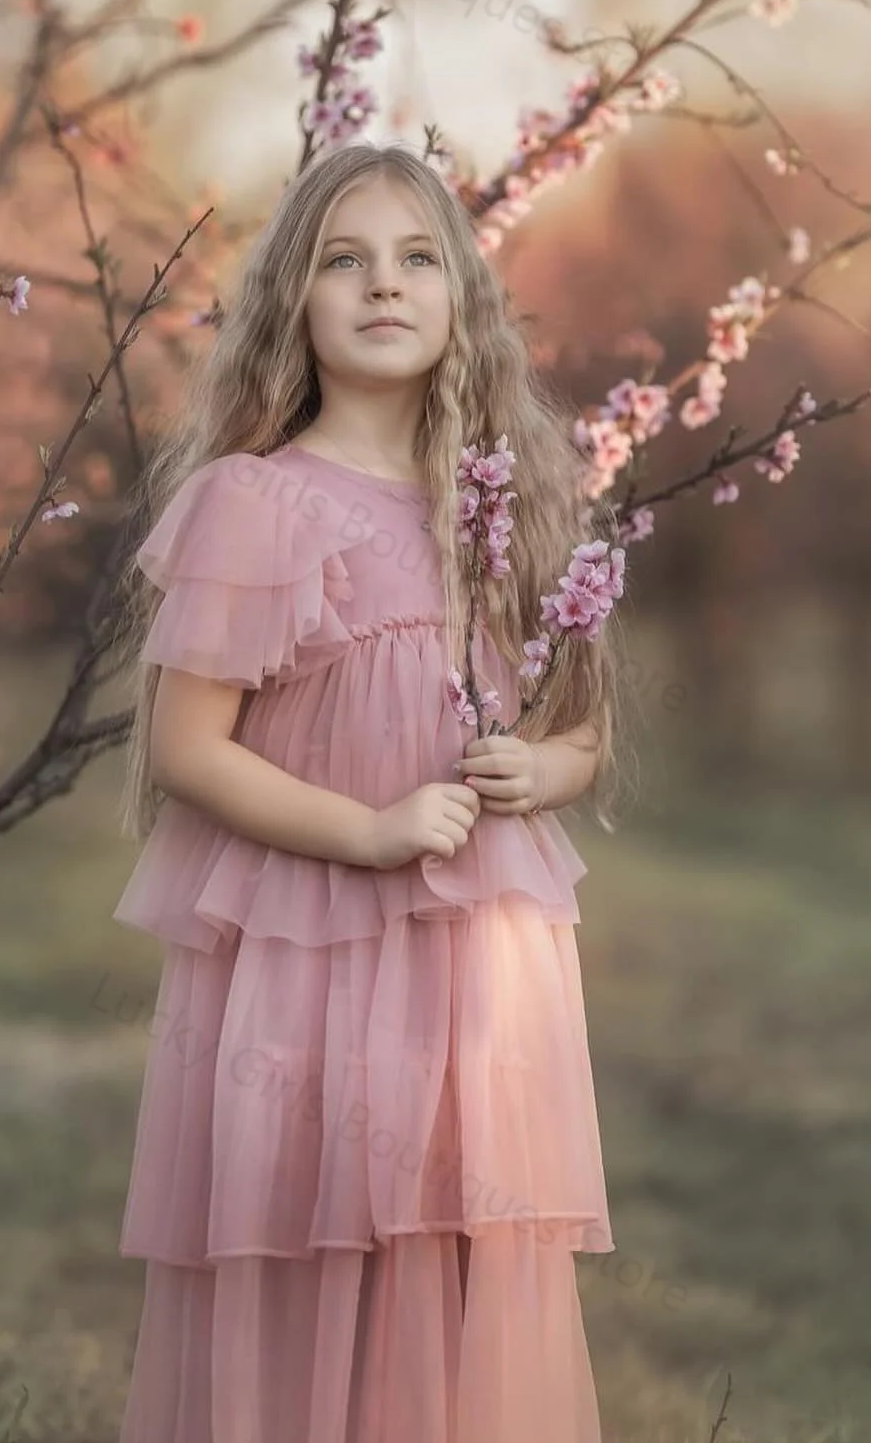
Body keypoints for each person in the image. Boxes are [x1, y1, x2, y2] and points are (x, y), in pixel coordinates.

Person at [111, 140, 636, 1443]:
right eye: (344, 261)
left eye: (416, 260)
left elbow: (584, 737)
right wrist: (372, 828)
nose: (382, 286)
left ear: (463, 299)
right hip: (313, 950)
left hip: (480, 966)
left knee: (456, 1250)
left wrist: (542, 770)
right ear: (295, 300)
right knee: (316, 1242)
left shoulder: (501, 512)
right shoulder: (258, 502)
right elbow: (188, 748)